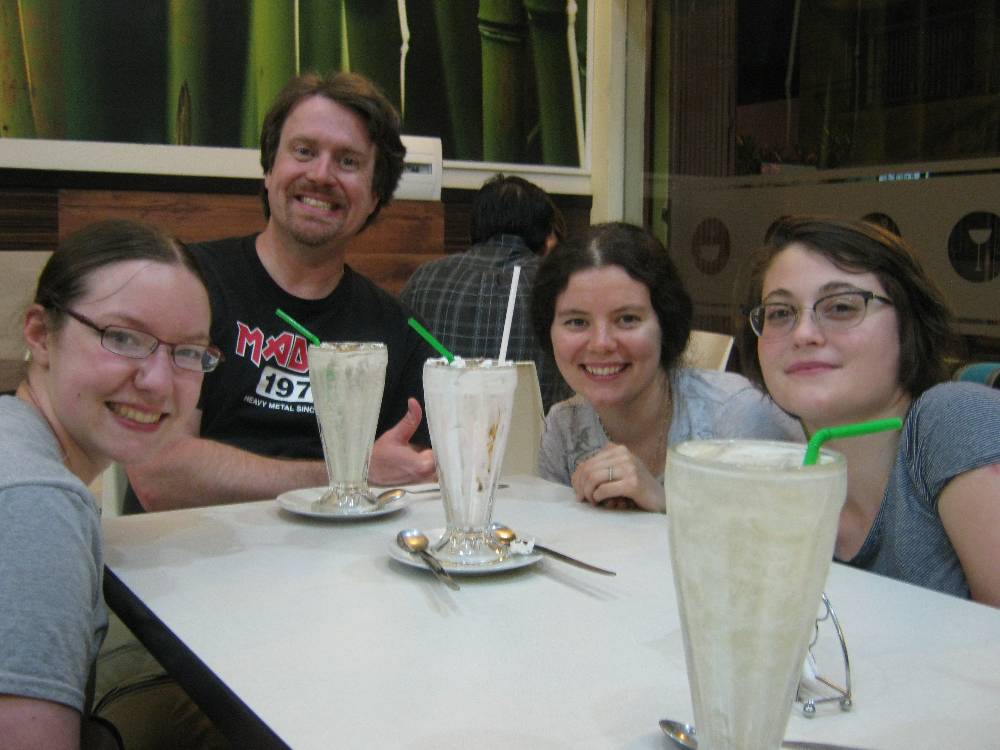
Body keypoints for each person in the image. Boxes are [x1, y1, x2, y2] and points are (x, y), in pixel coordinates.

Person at [127, 71, 436, 512]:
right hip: (188, 566)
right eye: (304, 151)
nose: (322, 174)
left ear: (374, 197)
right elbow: (159, 475)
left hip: (340, 571)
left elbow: (414, 484)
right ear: (269, 170)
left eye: (348, 161)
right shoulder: (188, 285)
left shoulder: (399, 333)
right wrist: (349, 474)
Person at [0, 220, 218, 747]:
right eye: (121, 337)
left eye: (188, 352)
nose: (158, 382)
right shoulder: (38, 503)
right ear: (40, 333)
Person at [737, 215, 1000, 606]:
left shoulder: (952, 419)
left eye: (841, 307)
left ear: (908, 323)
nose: (804, 333)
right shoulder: (787, 483)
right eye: (779, 313)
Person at [531, 222, 801, 512]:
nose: (601, 344)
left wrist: (664, 504)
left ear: (666, 324)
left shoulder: (739, 416)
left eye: (627, 319)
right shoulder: (564, 427)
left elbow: (790, 537)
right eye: (577, 322)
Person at [400, 173, 571, 411]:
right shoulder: (561, 287)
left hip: (433, 441)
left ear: (475, 228)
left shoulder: (424, 280)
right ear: (544, 237)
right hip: (538, 444)